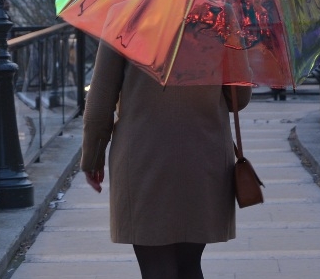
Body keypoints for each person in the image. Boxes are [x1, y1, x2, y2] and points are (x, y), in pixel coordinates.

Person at [81, 42, 252, 279]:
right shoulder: (220, 15)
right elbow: (238, 99)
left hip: (142, 157)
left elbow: (99, 105)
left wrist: (92, 158)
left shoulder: (123, 15)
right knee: (190, 264)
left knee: (155, 268)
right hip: (204, 154)